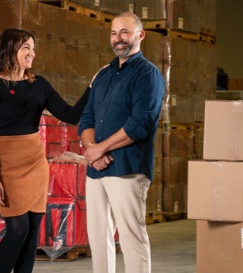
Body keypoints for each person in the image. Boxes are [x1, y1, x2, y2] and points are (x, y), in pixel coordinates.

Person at [0, 29, 91, 273]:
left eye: (33, 48)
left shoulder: (39, 84)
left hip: (34, 163)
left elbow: (71, 115)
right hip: (5, 164)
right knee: (17, 229)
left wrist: (92, 88)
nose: (31, 53)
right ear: (10, 50)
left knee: (32, 231)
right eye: (25, 48)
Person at [77, 12, 165, 273]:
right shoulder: (104, 75)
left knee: (131, 238)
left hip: (128, 168)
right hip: (97, 170)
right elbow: (86, 117)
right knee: (98, 238)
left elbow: (140, 123)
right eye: (114, 33)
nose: (118, 39)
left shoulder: (148, 74)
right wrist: (93, 150)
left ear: (140, 35)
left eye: (125, 32)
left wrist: (100, 149)